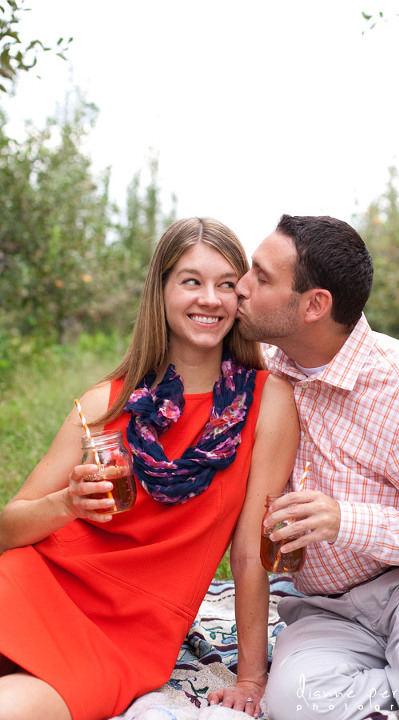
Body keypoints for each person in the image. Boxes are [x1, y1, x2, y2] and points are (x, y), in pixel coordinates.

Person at [0, 217, 299, 720]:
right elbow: (9, 527)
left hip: (124, 638)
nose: (210, 298)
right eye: (191, 281)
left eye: (227, 284)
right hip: (34, 583)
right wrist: (66, 503)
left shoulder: (267, 401)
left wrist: (251, 676)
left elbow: (250, 552)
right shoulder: (105, 403)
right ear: (160, 291)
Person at [234, 214, 399, 720]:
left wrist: (347, 522)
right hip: (326, 607)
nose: (241, 287)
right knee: (294, 704)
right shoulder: (264, 363)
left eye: (261, 277)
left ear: (314, 305)